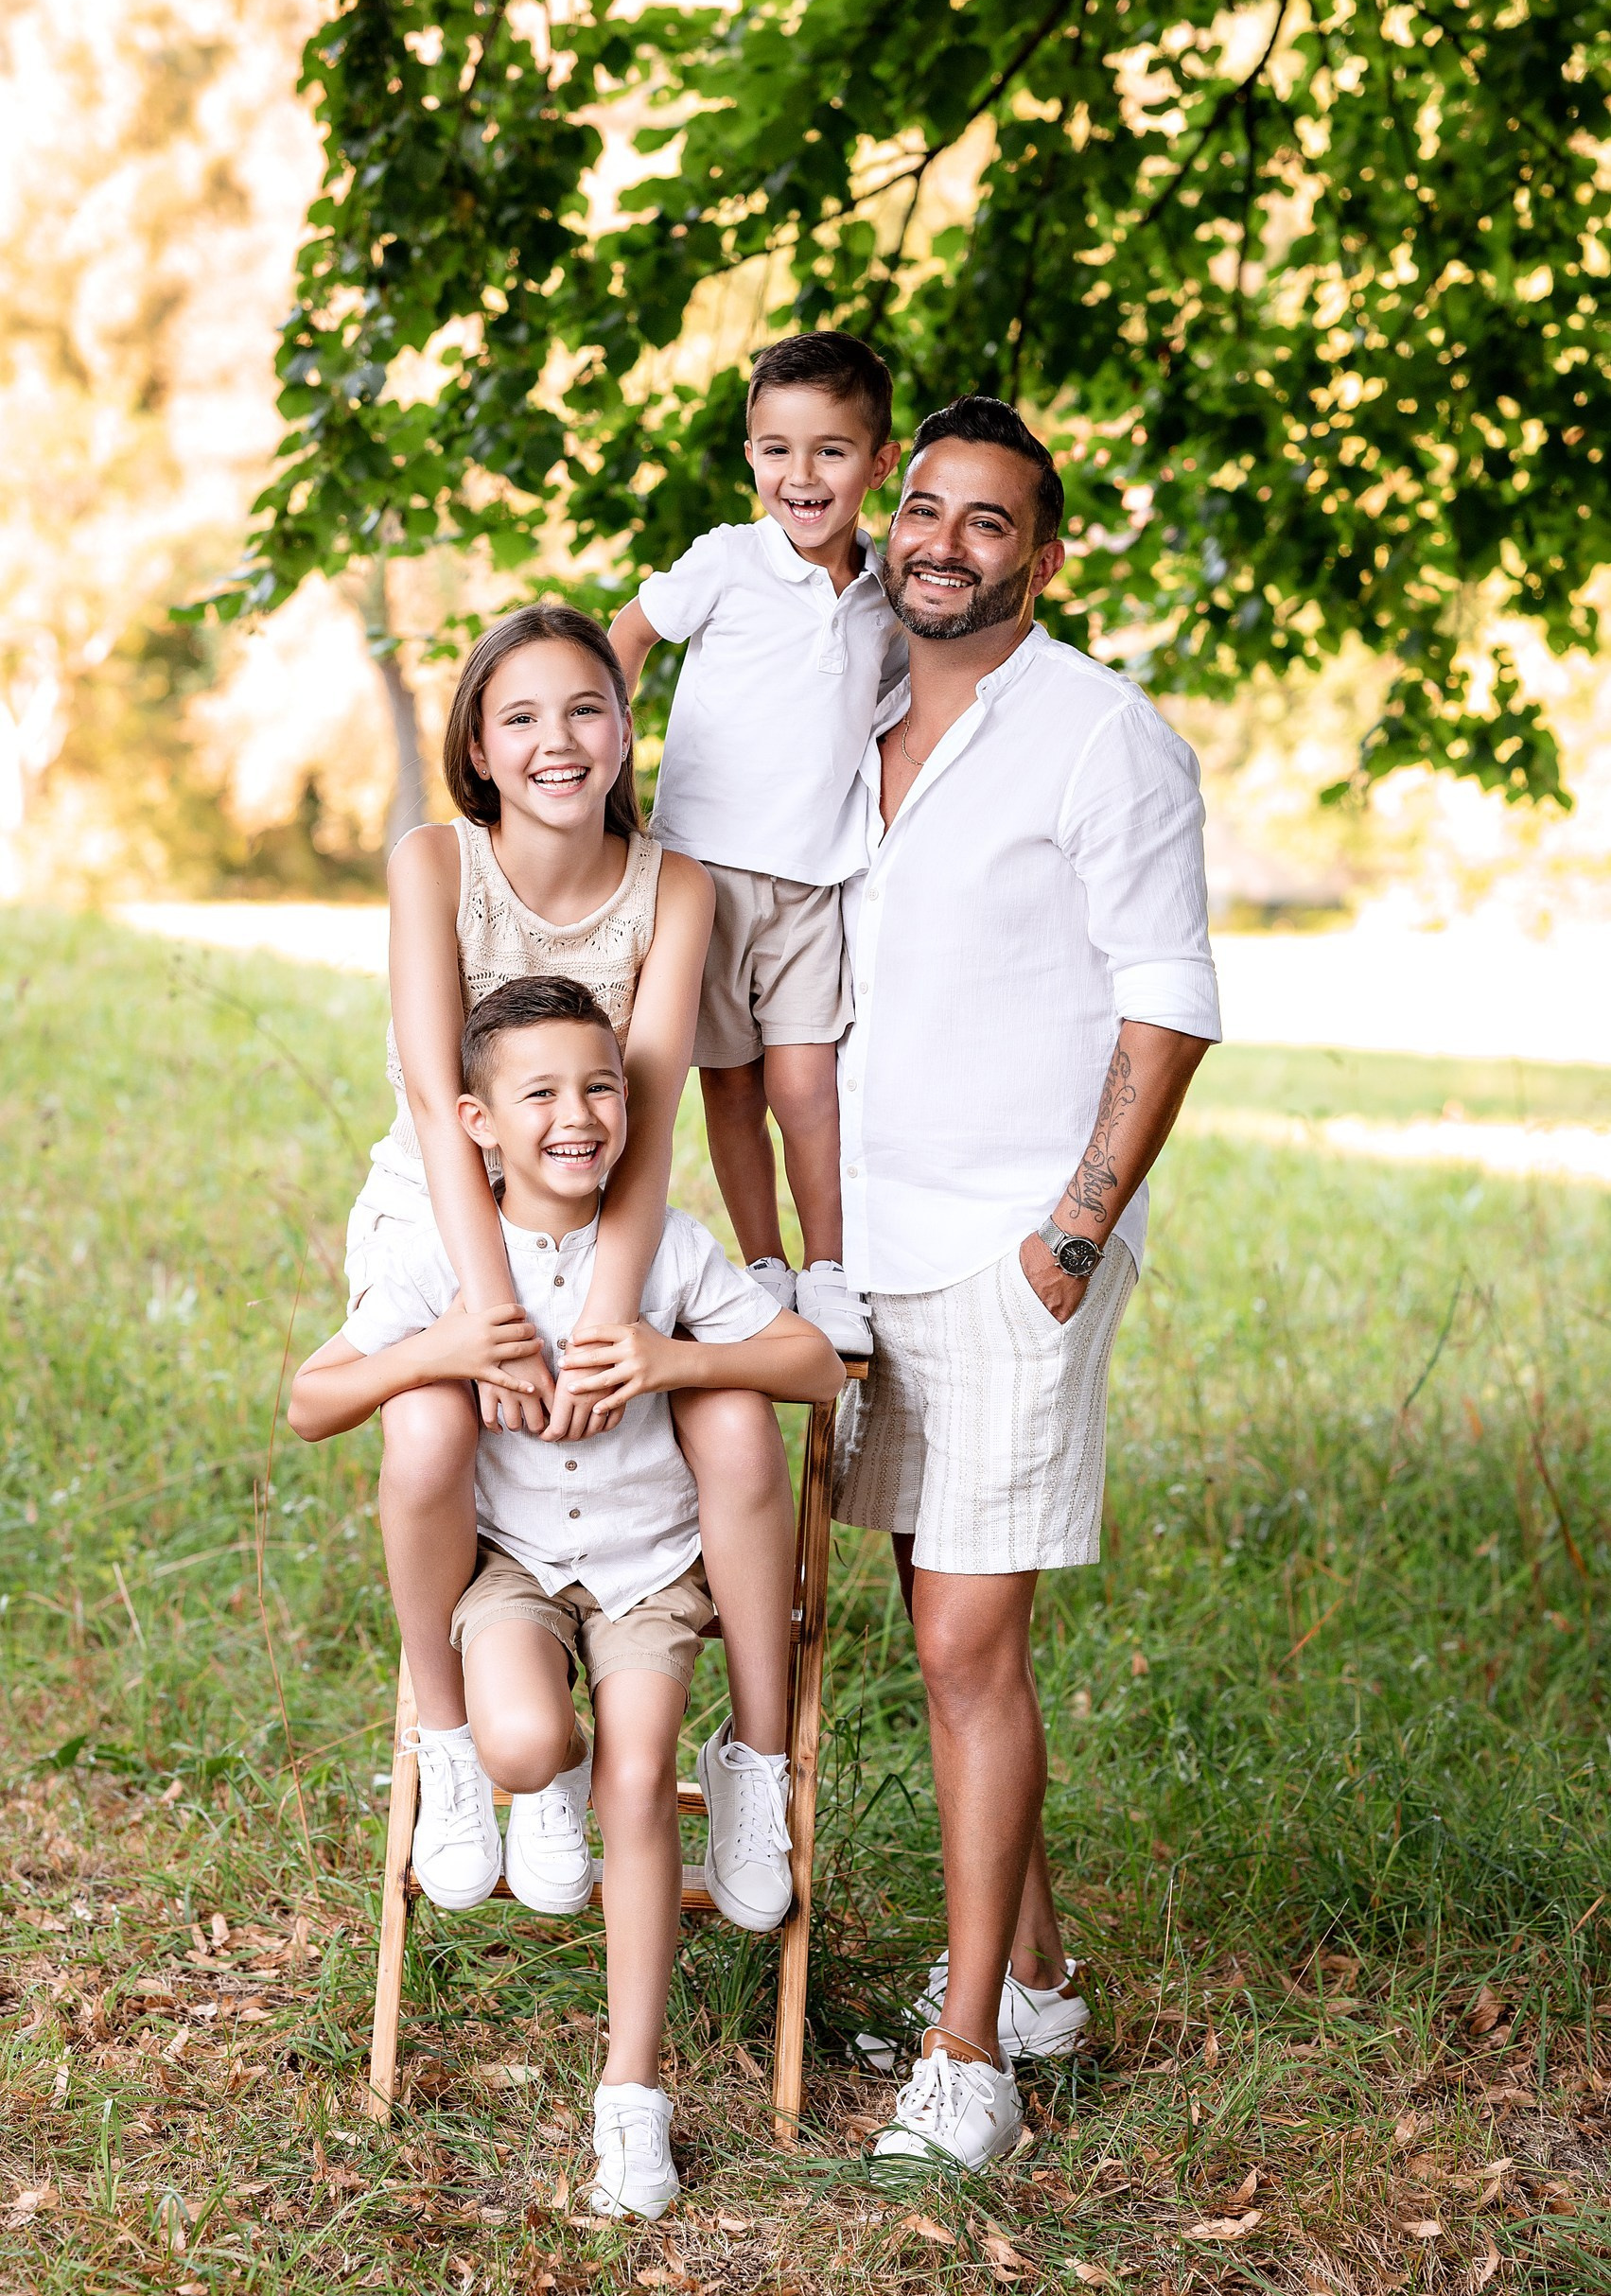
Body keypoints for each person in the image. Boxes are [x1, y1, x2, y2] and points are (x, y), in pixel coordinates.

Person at [832, 396, 1221, 2170]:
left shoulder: (1098, 735)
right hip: (871, 1248)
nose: (942, 541)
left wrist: (1072, 1229)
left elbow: (1169, 995)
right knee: (935, 1632)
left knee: (965, 1650)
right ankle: (1040, 1970)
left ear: (1040, 557)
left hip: (1013, 1252)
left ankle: (974, 2055)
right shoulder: (848, 706)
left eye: (988, 522)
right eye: (923, 508)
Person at [291, 977, 844, 2218]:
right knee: (532, 1745)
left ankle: (630, 2098)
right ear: (477, 1122)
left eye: (598, 1086)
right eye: (538, 1092)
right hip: (512, 1573)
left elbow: (813, 1366)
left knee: (640, 1779)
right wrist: (437, 1351)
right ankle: (544, 1762)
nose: (576, 1115)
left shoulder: (664, 1249)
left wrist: (673, 1356)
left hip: (648, 1572)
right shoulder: (446, 1253)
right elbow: (309, 1400)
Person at [344, 604, 798, 1932]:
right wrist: (491, 1315)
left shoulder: (675, 886)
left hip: (611, 1205)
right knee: (429, 1426)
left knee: (717, 1404)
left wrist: (606, 1315)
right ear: (477, 748)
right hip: (442, 1208)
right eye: (521, 716)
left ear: (623, 730)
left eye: (586, 709)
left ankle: (757, 1760)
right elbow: (439, 1104)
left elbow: (648, 1109)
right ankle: (452, 1735)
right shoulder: (434, 863)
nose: (558, 740)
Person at [610, 330, 907, 1361]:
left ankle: (827, 1272)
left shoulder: (886, 599)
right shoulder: (725, 563)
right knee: (727, 1082)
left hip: (814, 879)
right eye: (774, 449)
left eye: (830, 450)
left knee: (802, 1085)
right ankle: (765, 1263)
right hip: (696, 874)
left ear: (880, 464)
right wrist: (610, 767)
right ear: (749, 457)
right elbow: (627, 637)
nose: (800, 474)